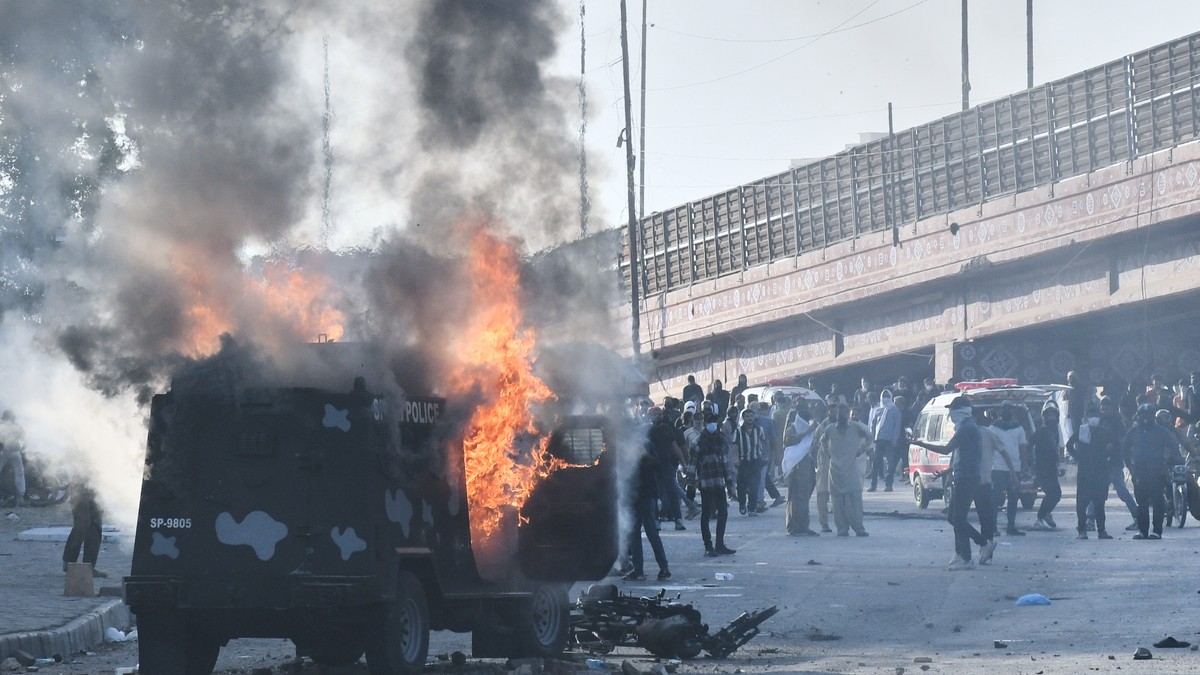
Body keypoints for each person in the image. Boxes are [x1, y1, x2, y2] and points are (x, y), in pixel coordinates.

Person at [910, 395, 983, 570]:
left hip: (967, 477)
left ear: (961, 411)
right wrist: (947, 472)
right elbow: (959, 456)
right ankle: (961, 553)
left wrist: (921, 443)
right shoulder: (965, 427)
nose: (950, 414)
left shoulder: (967, 428)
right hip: (962, 475)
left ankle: (969, 555)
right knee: (953, 517)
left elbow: (946, 449)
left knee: (958, 518)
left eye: (952, 410)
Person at [812, 403, 872, 537]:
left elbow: (869, 436)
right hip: (835, 469)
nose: (841, 416)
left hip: (851, 468)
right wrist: (827, 452)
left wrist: (862, 450)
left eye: (844, 413)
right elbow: (821, 441)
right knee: (837, 501)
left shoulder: (856, 427)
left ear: (848, 414)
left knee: (855, 498)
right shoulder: (829, 429)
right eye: (839, 413)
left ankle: (859, 528)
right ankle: (842, 528)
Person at [1124, 403, 1181, 540]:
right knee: (1141, 503)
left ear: (1153, 415)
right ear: (1138, 415)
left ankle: (1156, 531)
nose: (1145, 417)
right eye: (1142, 414)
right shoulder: (1134, 431)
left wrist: (1167, 465)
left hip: (1157, 472)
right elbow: (1124, 450)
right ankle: (1142, 531)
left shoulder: (1161, 431)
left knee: (1157, 502)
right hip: (1139, 473)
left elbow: (1174, 448)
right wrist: (1131, 468)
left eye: (1148, 414)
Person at [1067, 402, 1117, 539]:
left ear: (1099, 417)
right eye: (1091, 415)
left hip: (1101, 472)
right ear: (1086, 417)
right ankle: (1082, 531)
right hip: (1085, 472)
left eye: (1096, 415)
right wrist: (1078, 457)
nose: (1093, 418)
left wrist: (1109, 455)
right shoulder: (1082, 431)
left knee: (1099, 504)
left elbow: (1116, 445)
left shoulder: (1105, 432)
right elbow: (1069, 445)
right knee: (1081, 504)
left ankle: (1102, 531)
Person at [690, 413, 736, 557]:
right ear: (705, 424)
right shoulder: (698, 442)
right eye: (709, 422)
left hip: (719, 482)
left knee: (723, 513)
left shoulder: (721, 440)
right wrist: (691, 482)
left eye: (714, 422)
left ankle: (720, 544)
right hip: (705, 483)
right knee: (707, 514)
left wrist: (729, 483)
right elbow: (692, 464)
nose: (712, 425)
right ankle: (708, 546)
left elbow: (725, 463)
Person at [624, 440, 670, 581]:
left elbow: (658, 465)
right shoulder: (625, 444)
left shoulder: (647, 444)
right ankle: (638, 570)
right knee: (634, 534)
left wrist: (645, 455)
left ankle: (664, 568)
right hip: (633, 496)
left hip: (647, 495)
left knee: (651, 532)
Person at [978, 413, 1017, 561]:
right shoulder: (964, 431)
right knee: (956, 517)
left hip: (985, 479)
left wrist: (1013, 473)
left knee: (985, 516)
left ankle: (984, 548)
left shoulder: (988, 433)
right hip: (970, 479)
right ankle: (969, 551)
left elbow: (1004, 452)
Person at [646, 406, 691, 529]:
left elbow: (674, 446)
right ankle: (656, 521)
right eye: (655, 415)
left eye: (660, 414)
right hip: (652, 467)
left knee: (672, 492)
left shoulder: (666, 429)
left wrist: (683, 462)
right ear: (650, 416)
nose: (658, 417)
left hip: (667, 465)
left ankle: (678, 520)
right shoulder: (646, 430)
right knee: (655, 494)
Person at [990, 401, 1029, 536]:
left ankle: (1010, 526)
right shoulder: (993, 428)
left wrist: (1024, 465)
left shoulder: (1018, 428)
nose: (1007, 411)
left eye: (1009, 409)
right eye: (1005, 409)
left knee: (1013, 499)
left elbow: (1023, 447)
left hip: (1014, 467)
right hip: (998, 468)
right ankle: (993, 527)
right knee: (995, 499)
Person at [781, 404, 818, 536]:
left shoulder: (811, 431)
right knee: (795, 498)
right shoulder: (792, 429)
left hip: (807, 467)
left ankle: (804, 525)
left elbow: (812, 448)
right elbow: (788, 441)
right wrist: (807, 432)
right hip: (795, 467)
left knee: (804, 498)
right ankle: (793, 526)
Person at [1030, 403, 1063, 531]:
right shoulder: (1041, 432)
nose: (1051, 418)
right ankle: (1040, 518)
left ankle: (1046, 514)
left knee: (1056, 494)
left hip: (1052, 468)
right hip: (1043, 469)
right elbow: (1029, 445)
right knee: (1053, 493)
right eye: (1049, 415)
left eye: (1053, 415)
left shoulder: (1055, 432)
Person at [63, 483, 106, 578]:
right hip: (80, 484)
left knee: (95, 525)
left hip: (96, 484)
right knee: (82, 524)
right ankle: (69, 563)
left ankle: (89, 566)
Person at [730, 408, 768, 517]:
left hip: (756, 461)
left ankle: (752, 508)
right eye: (747, 416)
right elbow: (734, 445)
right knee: (741, 486)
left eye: (751, 416)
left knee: (754, 486)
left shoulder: (759, 430)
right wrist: (735, 458)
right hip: (743, 462)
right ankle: (742, 503)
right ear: (743, 418)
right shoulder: (738, 431)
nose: (750, 418)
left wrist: (766, 456)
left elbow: (765, 442)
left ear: (754, 417)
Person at [869, 389, 903, 492]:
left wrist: (895, 440)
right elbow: (873, 425)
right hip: (878, 440)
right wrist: (872, 438)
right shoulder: (878, 410)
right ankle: (873, 485)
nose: (885, 398)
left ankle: (889, 484)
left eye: (887, 396)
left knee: (891, 464)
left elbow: (897, 427)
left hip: (890, 441)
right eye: (884, 396)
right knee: (875, 463)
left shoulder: (895, 410)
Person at [813, 402, 837, 533]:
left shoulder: (846, 426)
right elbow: (816, 442)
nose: (834, 414)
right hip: (824, 463)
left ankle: (842, 524)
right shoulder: (823, 426)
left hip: (840, 465)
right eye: (832, 411)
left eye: (836, 411)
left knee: (840, 495)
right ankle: (824, 523)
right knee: (822, 494)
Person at [0, 410, 27, 507]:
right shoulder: (16, 426)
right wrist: (23, 447)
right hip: (15, 451)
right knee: (19, 474)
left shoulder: (2, 425)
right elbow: (25, 438)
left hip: (3, 452)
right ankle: (20, 497)